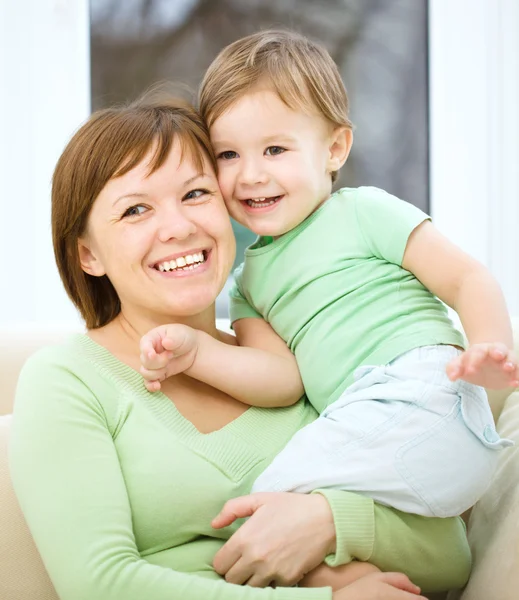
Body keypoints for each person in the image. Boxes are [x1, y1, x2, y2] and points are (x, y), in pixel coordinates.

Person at [8, 96, 472, 600]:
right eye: (136, 209)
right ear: (87, 253)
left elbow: (450, 555)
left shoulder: (295, 364)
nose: (180, 227)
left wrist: (327, 521)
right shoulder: (67, 378)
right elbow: (99, 585)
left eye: (196, 193)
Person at [140, 30, 516, 523]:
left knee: (268, 500)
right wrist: (197, 352)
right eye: (228, 155)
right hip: (371, 428)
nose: (250, 174)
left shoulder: (362, 212)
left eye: (275, 150)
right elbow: (282, 380)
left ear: (335, 149)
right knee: (289, 514)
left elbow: (467, 279)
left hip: (424, 389)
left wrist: (491, 352)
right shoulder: (249, 282)